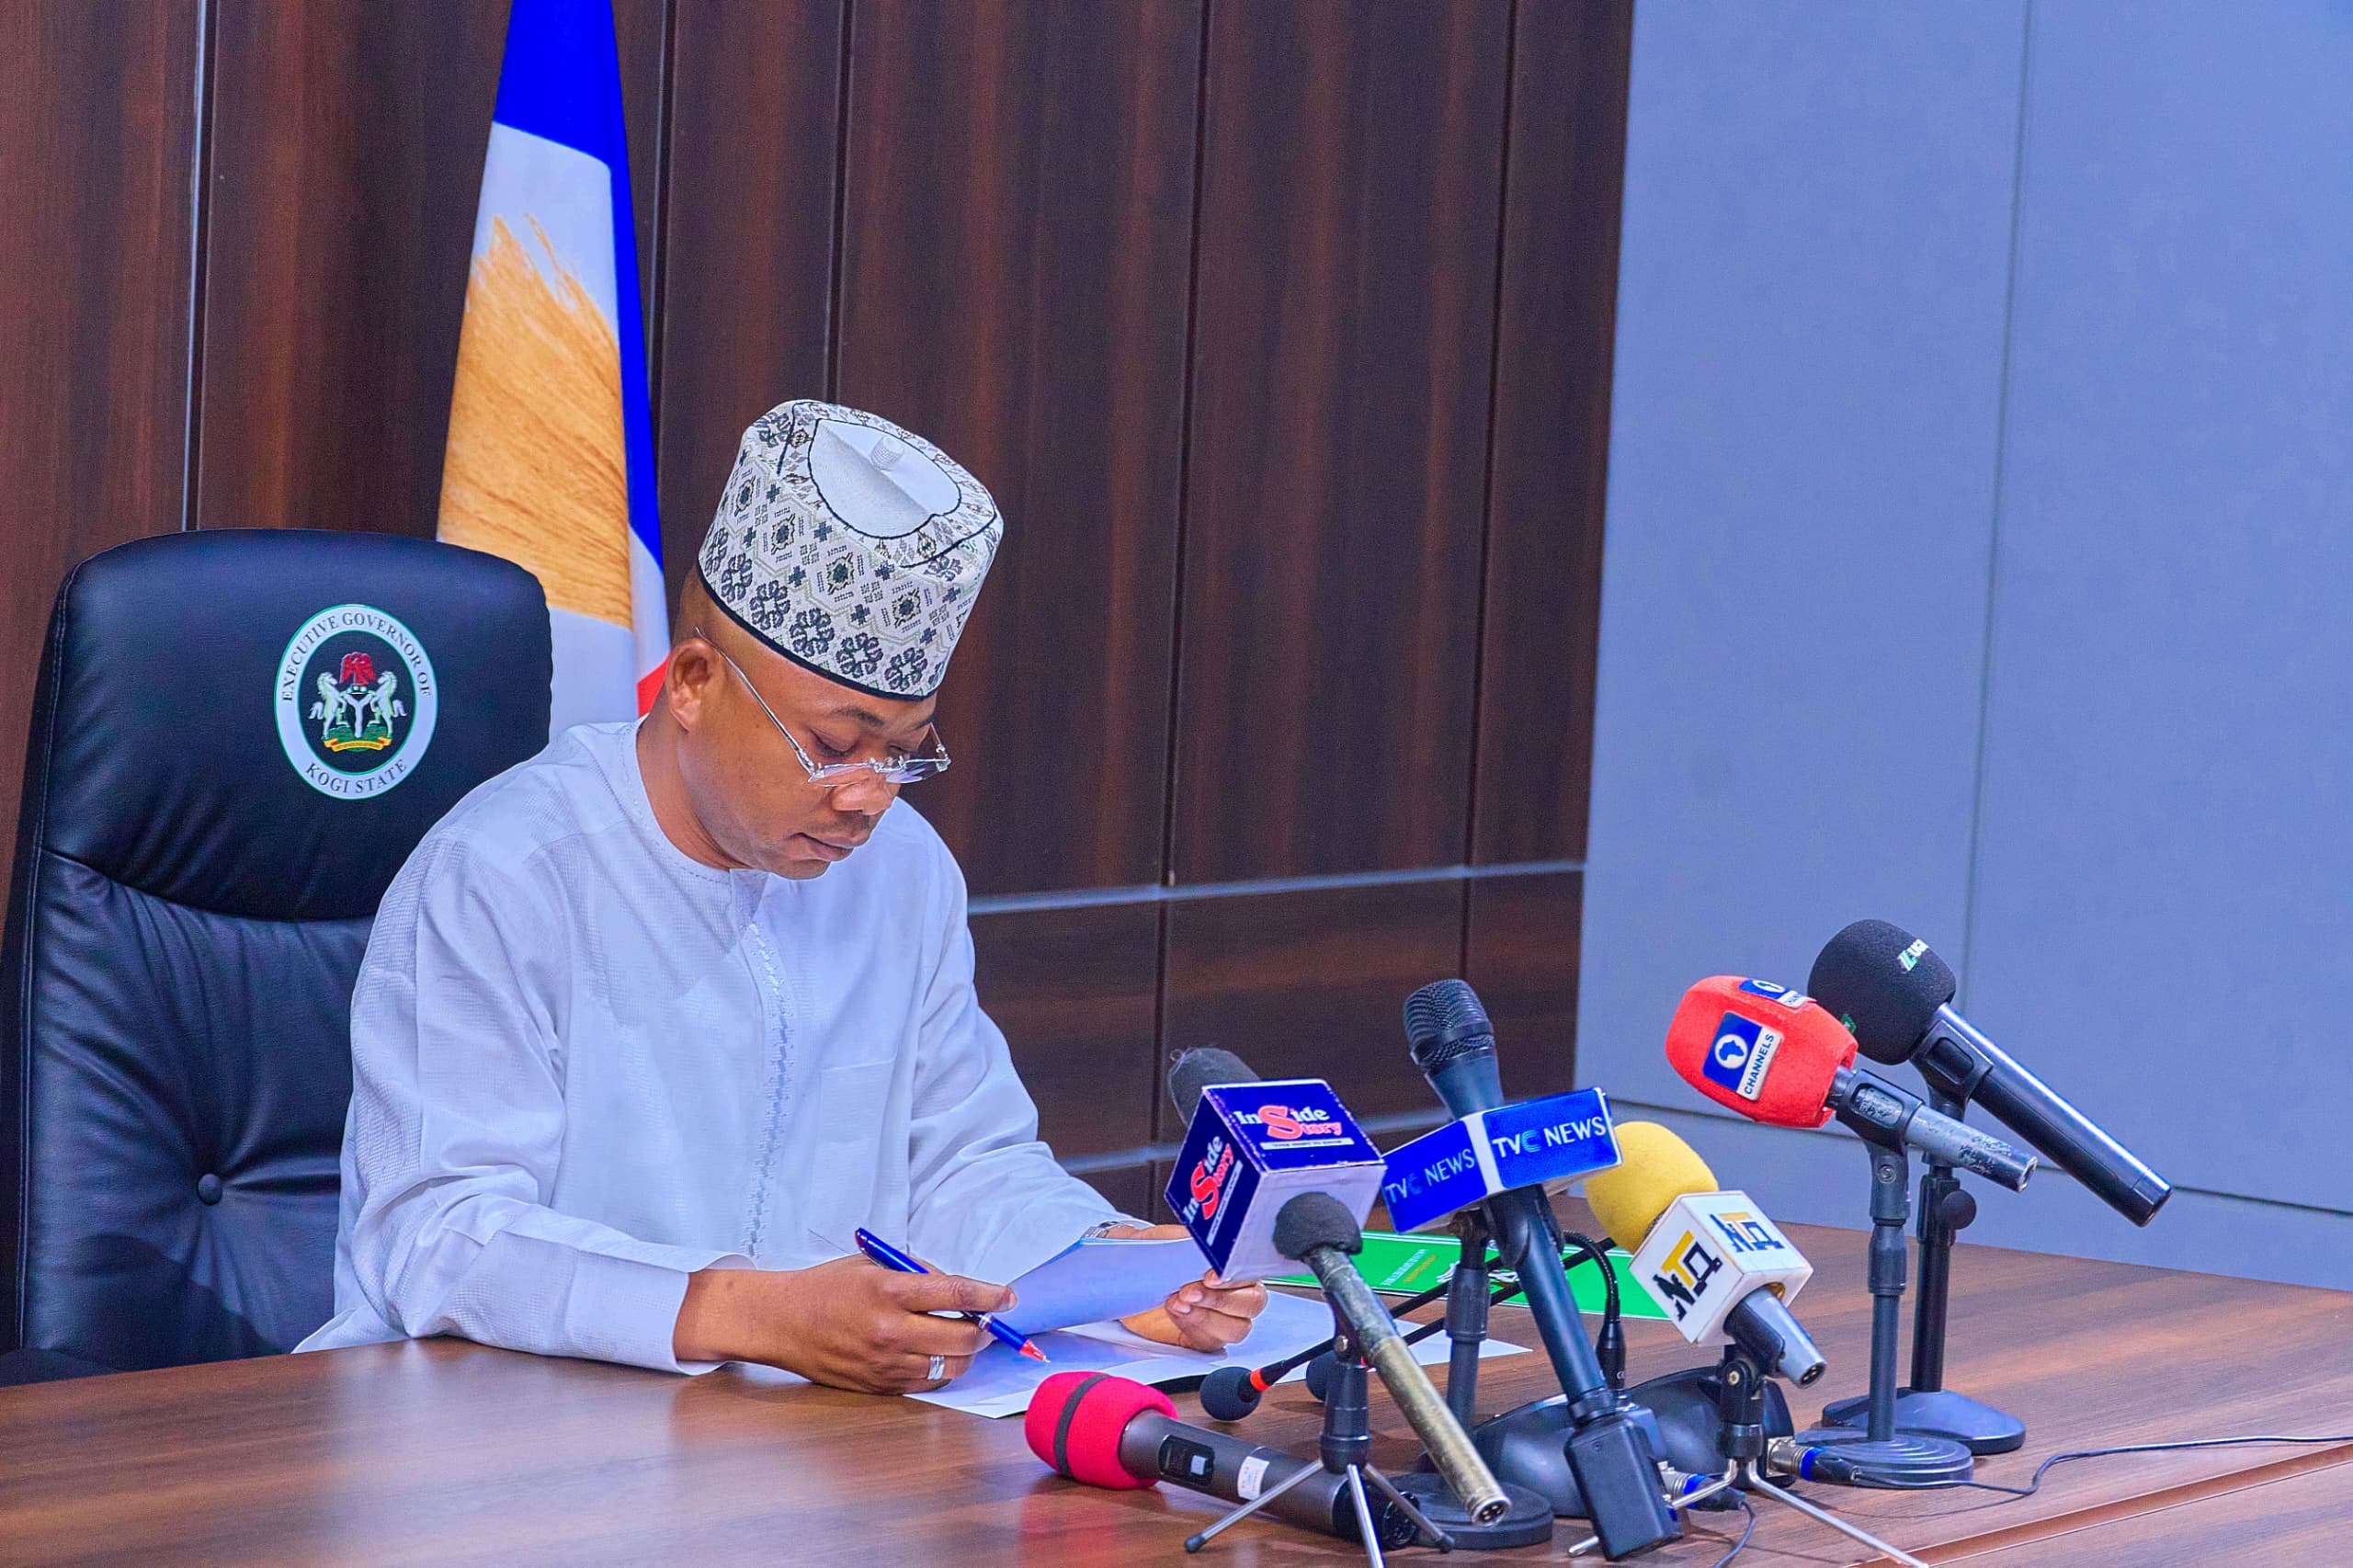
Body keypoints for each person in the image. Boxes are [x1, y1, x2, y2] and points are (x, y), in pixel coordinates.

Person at [299, 400, 1266, 1390]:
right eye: (835, 746)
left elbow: (963, 1160)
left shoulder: (905, 871)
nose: (868, 798)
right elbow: (438, 1234)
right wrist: (755, 1315)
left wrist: (1104, 1270)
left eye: (904, 751)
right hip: (501, 1430)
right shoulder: (505, 869)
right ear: (692, 682)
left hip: (802, 1430)